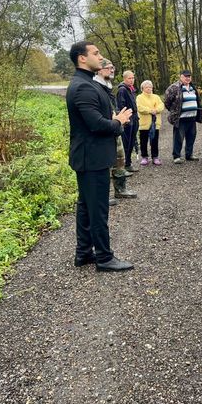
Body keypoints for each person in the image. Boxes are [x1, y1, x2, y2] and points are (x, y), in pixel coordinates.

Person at [66, 41, 134, 272]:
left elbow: (96, 115)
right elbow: (95, 124)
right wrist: (118, 122)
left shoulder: (88, 83)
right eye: (96, 53)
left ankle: (83, 253)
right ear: (82, 58)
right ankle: (104, 258)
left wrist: (114, 116)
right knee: (98, 209)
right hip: (91, 158)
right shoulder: (82, 87)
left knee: (86, 206)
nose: (101, 57)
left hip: (90, 157)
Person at [93, 59, 137, 201]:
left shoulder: (108, 86)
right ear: (99, 69)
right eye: (108, 68)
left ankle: (121, 189)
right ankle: (103, 195)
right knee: (104, 163)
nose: (112, 70)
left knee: (120, 158)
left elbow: (114, 105)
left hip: (115, 126)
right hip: (105, 128)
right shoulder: (94, 86)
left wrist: (119, 117)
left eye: (113, 67)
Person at [164, 69, 202, 164]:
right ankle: (176, 156)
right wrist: (174, 111)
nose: (188, 78)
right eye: (185, 76)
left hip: (192, 118)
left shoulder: (193, 88)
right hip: (181, 119)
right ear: (180, 76)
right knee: (178, 138)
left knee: (191, 137)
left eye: (189, 76)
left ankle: (189, 155)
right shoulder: (174, 87)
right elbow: (167, 102)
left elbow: (198, 101)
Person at [136, 80, 164, 165]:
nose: (149, 88)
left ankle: (155, 157)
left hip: (155, 124)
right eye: (147, 87)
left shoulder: (156, 97)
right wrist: (150, 110)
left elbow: (161, 105)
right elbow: (140, 108)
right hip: (144, 124)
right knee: (143, 141)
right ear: (142, 89)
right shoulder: (139, 97)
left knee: (154, 141)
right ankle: (144, 157)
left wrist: (156, 110)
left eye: (150, 87)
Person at [116, 70, 139, 172]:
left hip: (134, 117)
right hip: (127, 119)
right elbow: (121, 105)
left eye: (133, 78)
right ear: (124, 79)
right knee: (126, 142)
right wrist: (126, 119)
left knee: (132, 142)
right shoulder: (122, 90)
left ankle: (128, 163)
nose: (131, 80)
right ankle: (123, 166)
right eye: (129, 78)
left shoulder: (131, 89)